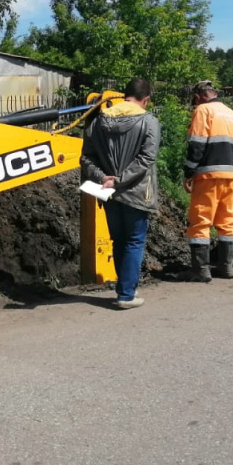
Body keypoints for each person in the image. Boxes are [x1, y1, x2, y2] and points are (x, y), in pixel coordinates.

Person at [80, 78, 160, 309]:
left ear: (125, 96)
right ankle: (126, 294)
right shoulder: (149, 121)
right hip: (137, 192)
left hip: (108, 192)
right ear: (146, 99)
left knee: (118, 240)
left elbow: (86, 158)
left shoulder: (97, 122)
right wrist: (120, 180)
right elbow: (147, 158)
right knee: (134, 241)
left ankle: (123, 291)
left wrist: (103, 178)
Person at [184, 79, 233, 282]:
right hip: (229, 176)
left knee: (201, 220)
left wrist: (189, 172)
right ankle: (225, 267)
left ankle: (200, 270)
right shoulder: (231, 113)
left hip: (207, 176)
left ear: (199, 96)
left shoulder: (203, 111)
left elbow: (196, 145)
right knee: (227, 220)